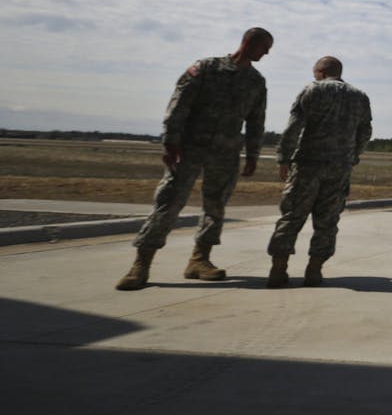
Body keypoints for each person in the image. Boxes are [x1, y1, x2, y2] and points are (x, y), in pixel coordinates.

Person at [115, 27, 272, 290]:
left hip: (226, 152)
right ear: (248, 43)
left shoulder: (256, 81)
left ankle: (200, 260)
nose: (267, 53)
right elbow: (179, 104)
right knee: (168, 203)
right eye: (264, 47)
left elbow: (256, 121)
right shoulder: (206, 68)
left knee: (216, 206)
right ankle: (140, 265)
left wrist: (252, 154)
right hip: (189, 148)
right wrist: (170, 140)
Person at [265, 55, 373, 288]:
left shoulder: (313, 90)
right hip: (339, 167)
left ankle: (278, 269)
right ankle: (314, 270)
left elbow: (294, 127)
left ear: (321, 72)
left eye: (315, 72)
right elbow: (365, 132)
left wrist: (284, 157)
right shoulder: (360, 97)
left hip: (308, 164)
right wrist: (352, 156)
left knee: (292, 216)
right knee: (327, 220)